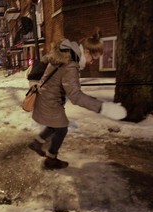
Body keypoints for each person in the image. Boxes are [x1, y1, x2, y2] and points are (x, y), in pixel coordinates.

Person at [28, 28, 127, 169]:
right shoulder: (70, 65)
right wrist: (102, 107)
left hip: (48, 97)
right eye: (93, 58)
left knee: (56, 125)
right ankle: (51, 159)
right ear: (86, 51)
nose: (92, 62)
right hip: (50, 101)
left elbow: (47, 60)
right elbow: (75, 96)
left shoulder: (66, 54)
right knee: (62, 128)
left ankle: (38, 142)